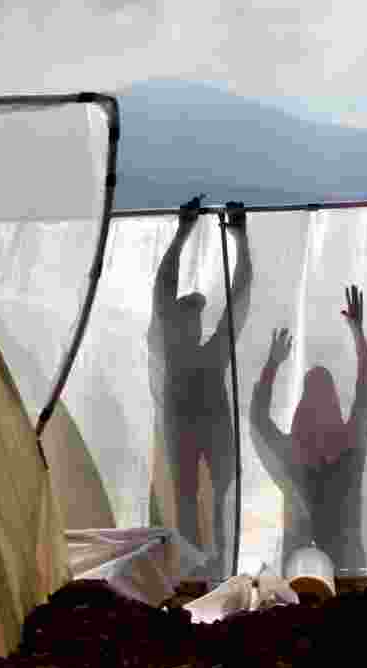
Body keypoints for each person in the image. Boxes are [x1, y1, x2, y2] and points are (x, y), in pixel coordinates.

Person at [147, 195, 252, 579]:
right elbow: (163, 286)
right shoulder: (169, 349)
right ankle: (195, 569)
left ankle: (221, 567)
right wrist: (183, 231)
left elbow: (240, 295)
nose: (193, 323)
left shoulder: (210, 353)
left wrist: (241, 240)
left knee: (223, 492)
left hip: (209, 426)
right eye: (186, 316)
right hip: (188, 426)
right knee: (188, 496)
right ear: (175, 322)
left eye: (196, 317)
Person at [249, 285, 367, 572]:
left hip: (300, 576)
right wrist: (358, 335)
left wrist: (272, 365)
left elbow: (257, 421)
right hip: (348, 572)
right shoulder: (350, 447)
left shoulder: (290, 455)